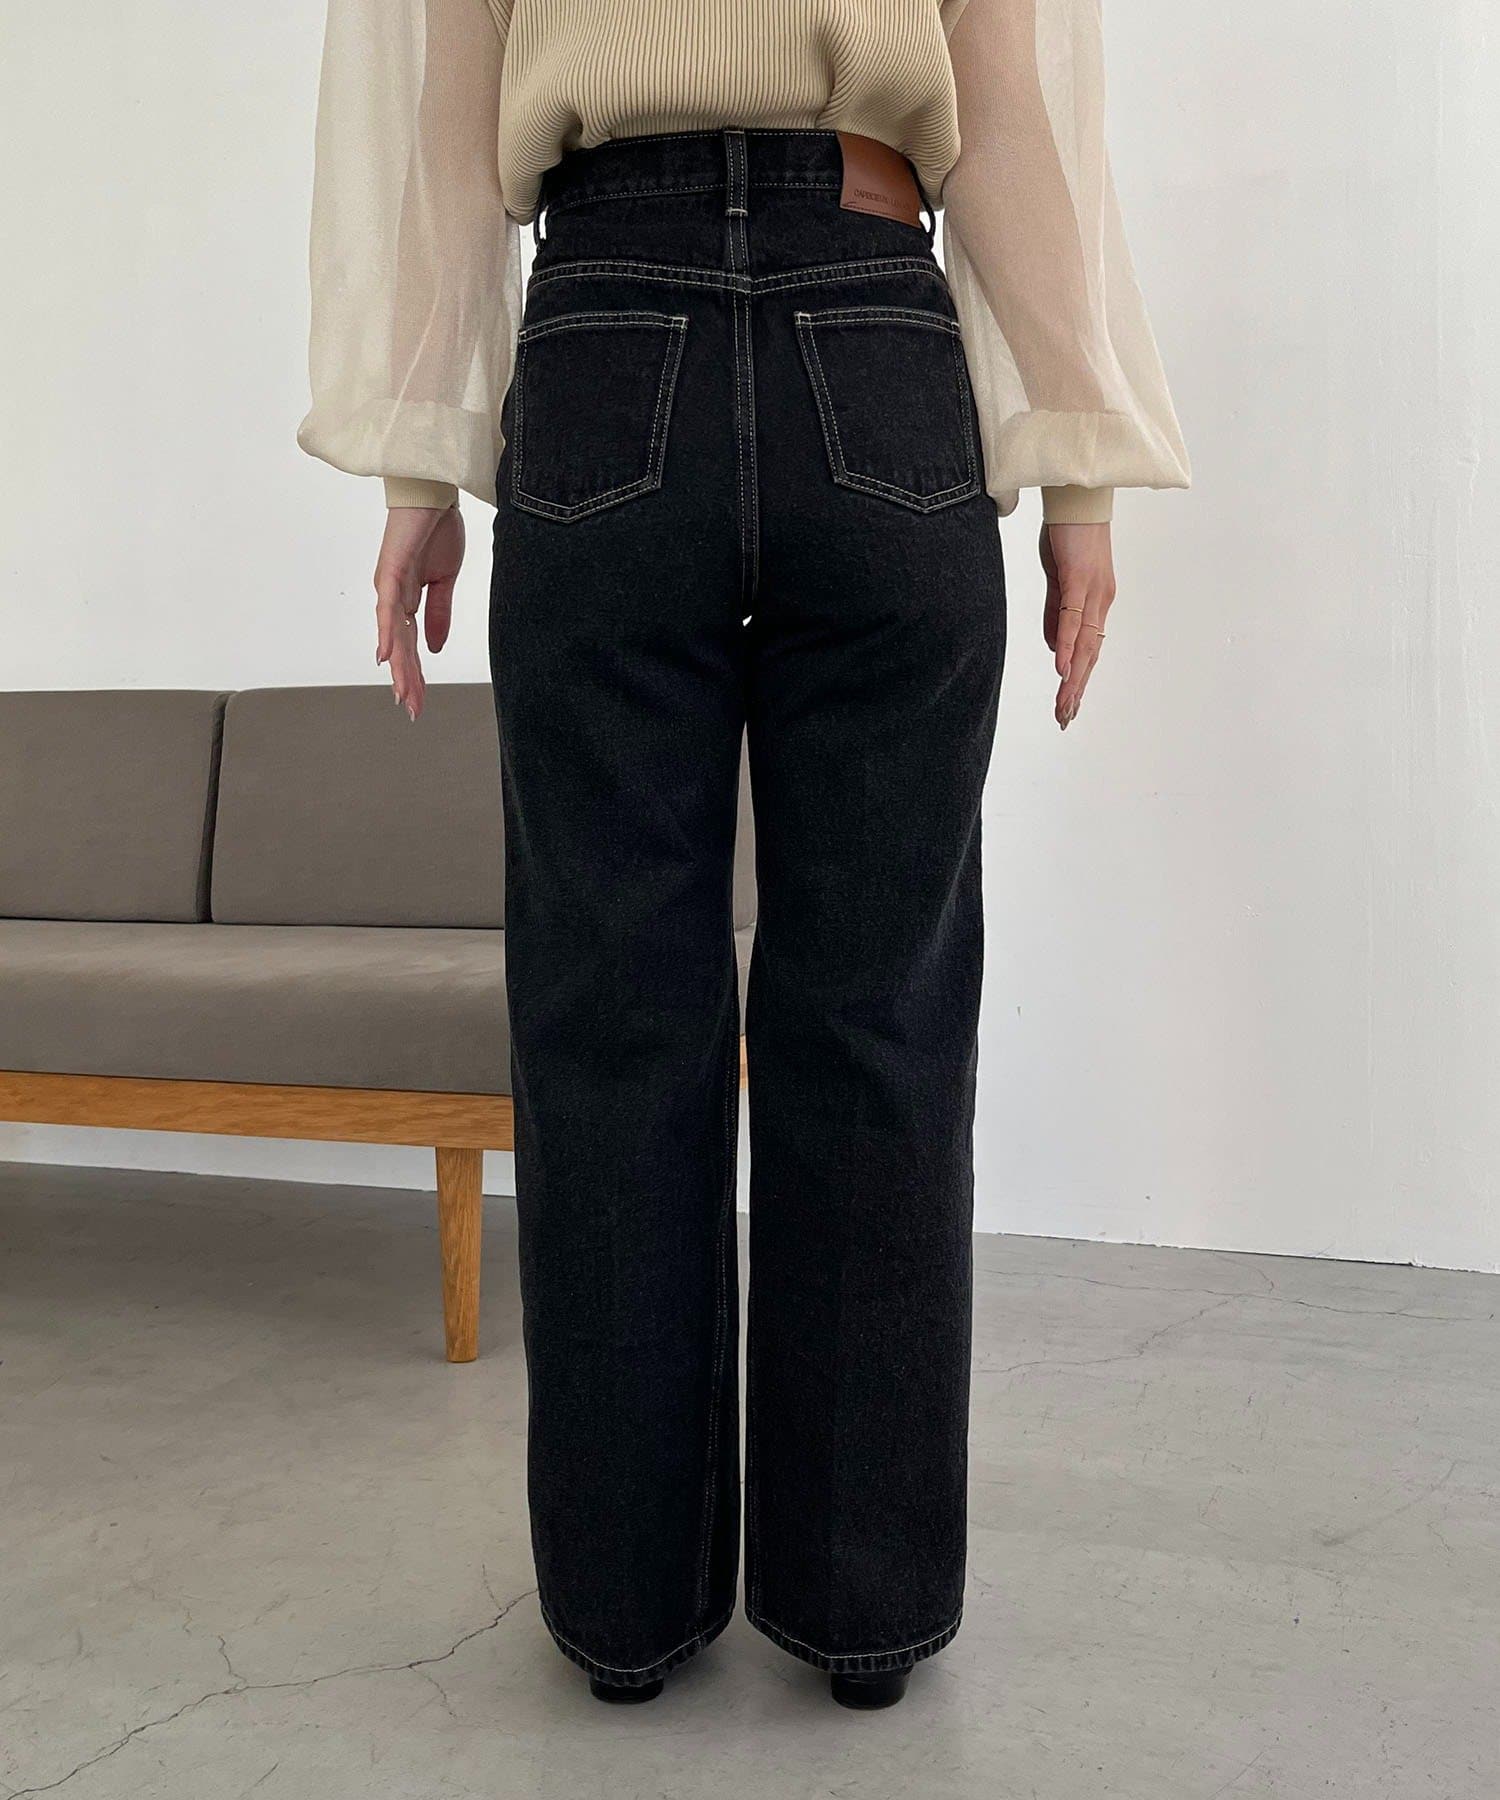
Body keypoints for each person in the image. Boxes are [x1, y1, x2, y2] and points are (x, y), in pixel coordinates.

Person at [298, 0, 1188, 1711]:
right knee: (881, 1019)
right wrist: (1078, 474)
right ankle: (863, 1610)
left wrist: (421, 462)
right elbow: (1012, 119)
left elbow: (444, 126)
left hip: (603, 340)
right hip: (875, 327)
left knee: (610, 1018)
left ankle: (625, 1613)